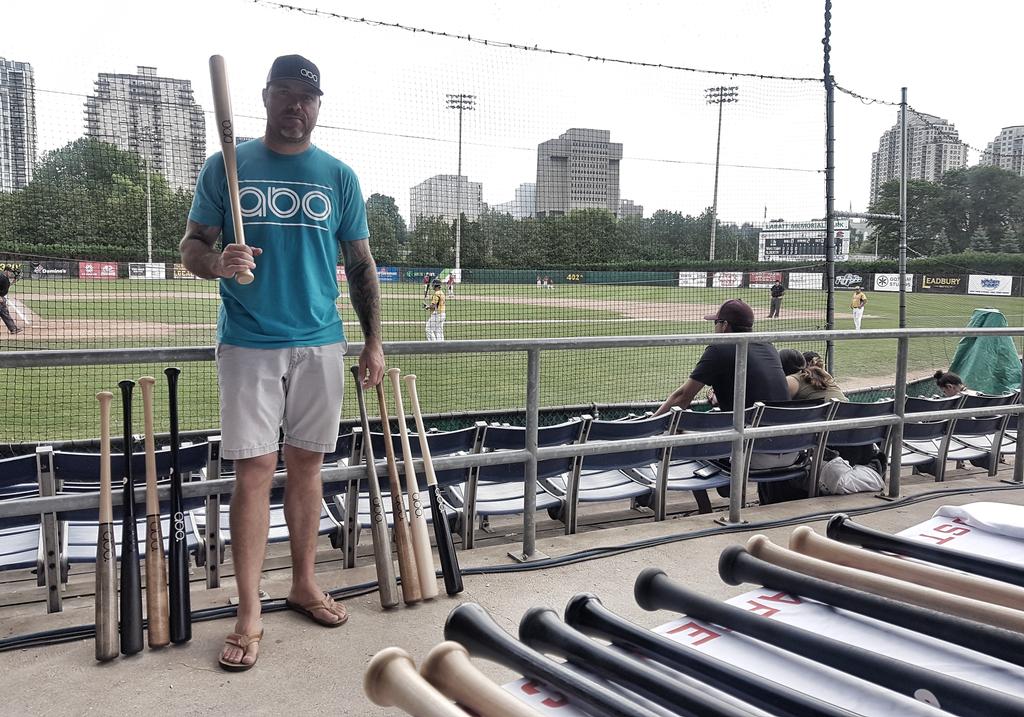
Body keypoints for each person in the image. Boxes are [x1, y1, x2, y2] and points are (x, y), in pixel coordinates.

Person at [179, 55, 384, 672]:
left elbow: (361, 264)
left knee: (307, 469)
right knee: (252, 472)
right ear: (266, 97)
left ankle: (302, 583)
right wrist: (215, 263)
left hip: (322, 338)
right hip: (249, 340)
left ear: (319, 105)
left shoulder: (339, 176)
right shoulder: (227, 165)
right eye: (287, 94)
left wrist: (373, 341)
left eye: (308, 98)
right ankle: (248, 610)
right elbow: (192, 244)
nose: (297, 106)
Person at [656, 299, 789, 414]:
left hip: (749, 436)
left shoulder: (719, 348)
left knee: (678, 431)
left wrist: (648, 429)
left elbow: (682, 397)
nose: (714, 327)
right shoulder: (767, 345)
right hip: (781, 431)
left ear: (725, 325)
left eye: (716, 322)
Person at [778, 348, 847, 402]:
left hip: (826, 417)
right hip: (849, 414)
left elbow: (776, 405)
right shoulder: (824, 375)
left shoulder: (792, 380)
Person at [0, 270, 22, 335]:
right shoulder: (1, 277)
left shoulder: (6, 279)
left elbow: (8, 286)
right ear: (6, 271)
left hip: (2, 298)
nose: (11, 274)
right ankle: (13, 328)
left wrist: (15, 280)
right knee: (4, 313)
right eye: (10, 272)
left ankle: (13, 328)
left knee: (5, 313)